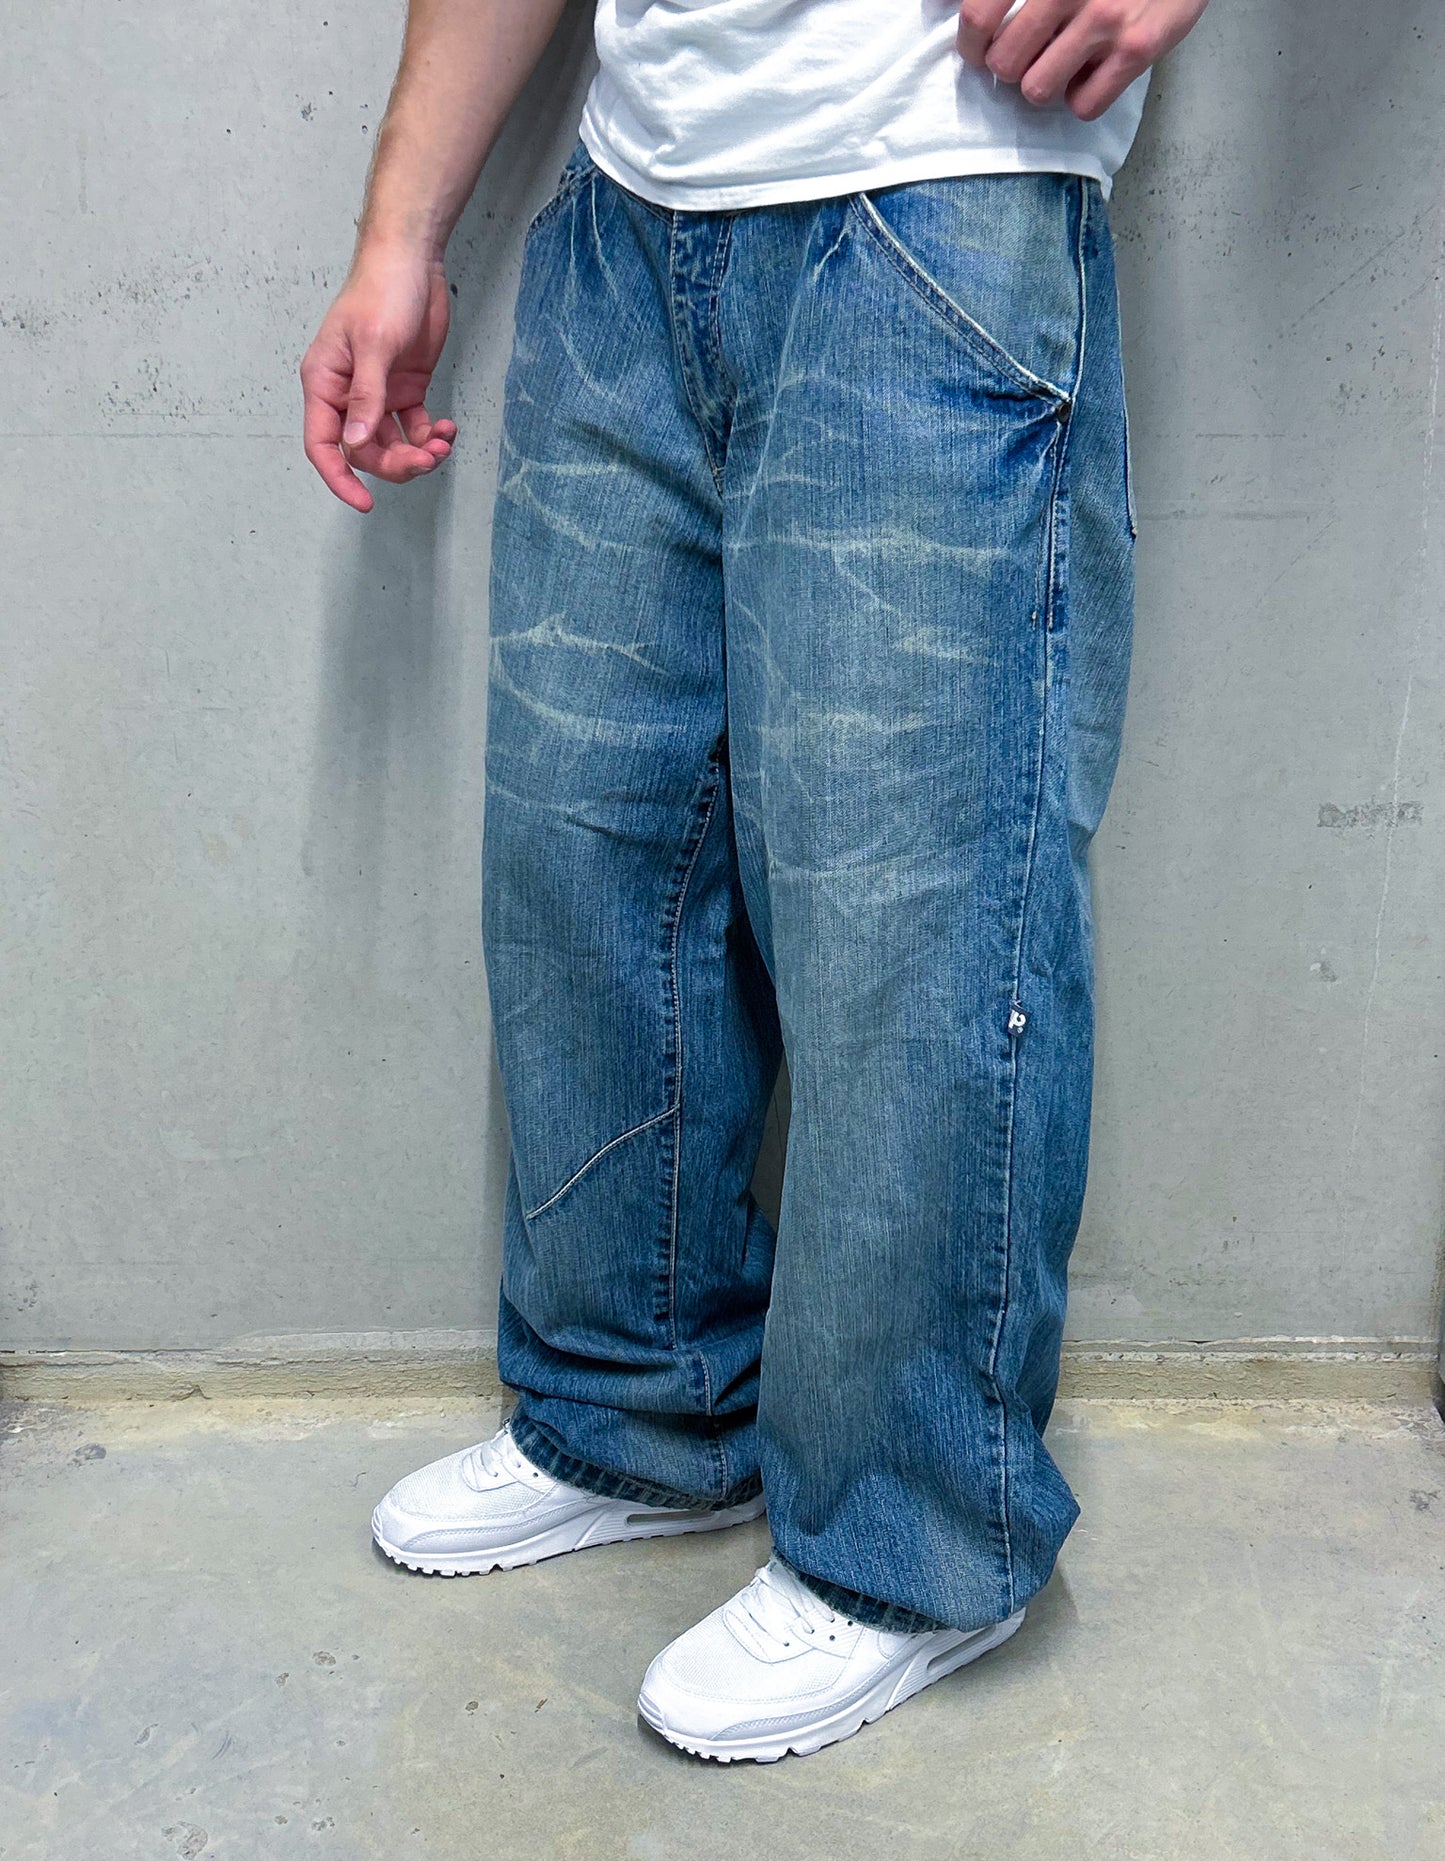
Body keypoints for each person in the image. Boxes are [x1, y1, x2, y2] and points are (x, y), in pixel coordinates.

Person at [301, 0, 1210, 1763]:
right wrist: (401, 231)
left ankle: (913, 1544)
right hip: (624, 217)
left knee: (913, 913)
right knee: (589, 864)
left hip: (929, 188)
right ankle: (638, 1409)